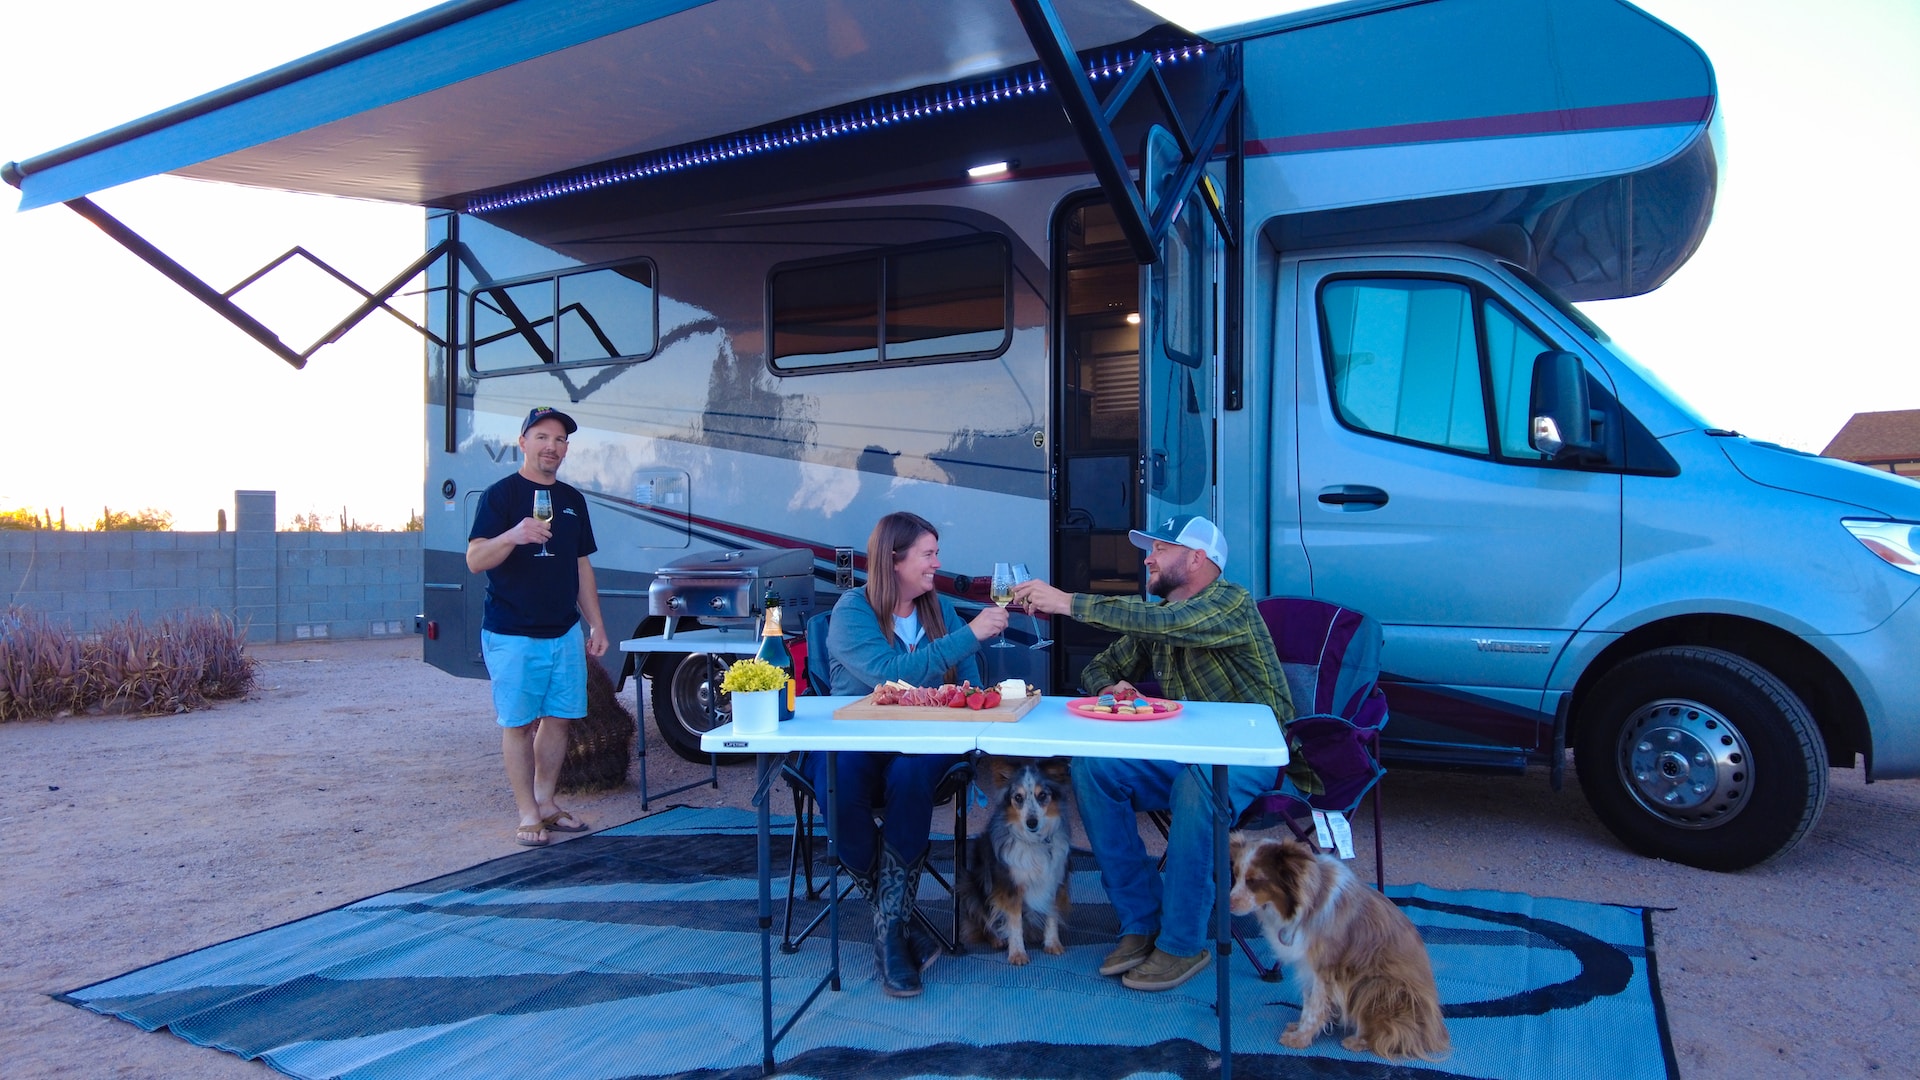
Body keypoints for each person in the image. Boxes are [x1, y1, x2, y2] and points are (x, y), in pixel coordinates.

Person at [1012, 513, 1317, 992]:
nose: (1147, 558)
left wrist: (1068, 602)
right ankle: (1141, 921)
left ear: (1197, 559)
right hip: (1186, 753)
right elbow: (1099, 667)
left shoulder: (1229, 602)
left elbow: (1168, 622)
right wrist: (1112, 685)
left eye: (1159, 549)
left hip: (1256, 757)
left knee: (1199, 782)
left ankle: (1183, 941)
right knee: (1093, 769)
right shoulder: (1161, 618)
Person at [813, 510, 1008, 997]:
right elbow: (889, 673)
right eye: (928, 554)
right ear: (894, 560)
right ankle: (896, 928)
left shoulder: (940, 608)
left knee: (912, 773)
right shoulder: (852, 610)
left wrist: (965, 664)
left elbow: (972, 684)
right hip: (859, 738)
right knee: (838, 774)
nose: (937, 564)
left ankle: (890, 934)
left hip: (928, 742)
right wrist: (968, 636)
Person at [466, 407, 610, 849]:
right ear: (523, 442)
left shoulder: (572, 500)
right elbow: (475, 560)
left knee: (560, 720)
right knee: (518, 723)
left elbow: (581, 566)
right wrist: (513, 536)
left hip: (563, 632)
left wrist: (596, 624)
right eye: (543, 437)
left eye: (560, 439)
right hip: (513, 632)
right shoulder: (501, 496)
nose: (552, 446)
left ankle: (547, 802)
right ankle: (527, 812)